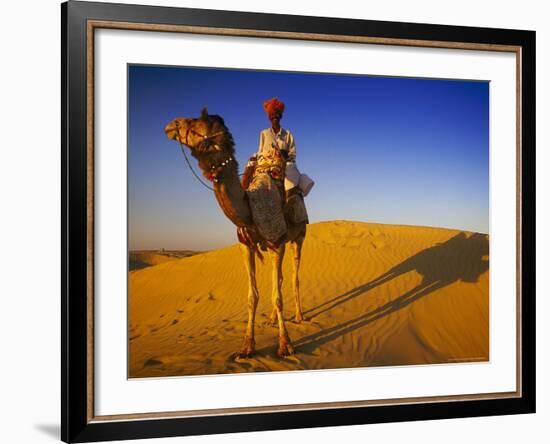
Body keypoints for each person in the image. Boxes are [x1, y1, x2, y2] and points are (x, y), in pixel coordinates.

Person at [243, 97, 313, 225]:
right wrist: (255, 159)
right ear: (269, 117)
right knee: (250, 182)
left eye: (276, 114)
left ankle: (290, 209)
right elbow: (260, 150)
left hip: (285, 164)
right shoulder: (264, 133)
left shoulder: (287, 135)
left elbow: (293, 153)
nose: (274, 116)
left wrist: (284, 156)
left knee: (290, 182)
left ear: (280, 116)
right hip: (267, 164)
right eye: (272, 115)